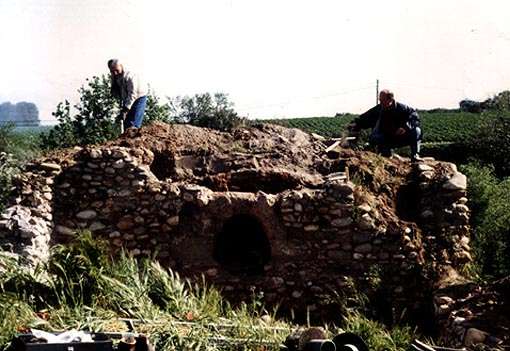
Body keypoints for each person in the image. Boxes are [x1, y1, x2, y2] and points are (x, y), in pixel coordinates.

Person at [348, 89, 422, 162]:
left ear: (390, 99)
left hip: (401, 137)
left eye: (382, 100)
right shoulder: (378, 109)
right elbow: (363, 119)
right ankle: (386, 155)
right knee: (376, 138)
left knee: (416, 131)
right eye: (380, 100)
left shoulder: (403, 108)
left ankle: (415, 155)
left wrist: (405, 127)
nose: (381, 102)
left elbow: (415, 118)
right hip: (385, 139)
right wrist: (353, 125)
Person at [108, 59, 148, 130]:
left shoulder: (130, 76)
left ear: (121, 66)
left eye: (116, 70)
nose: (115, 73)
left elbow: (132, 94)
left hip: (139, 96)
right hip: (127, 97)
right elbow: (116, 90)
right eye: (112, 71)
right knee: (126, 123)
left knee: (133, 123)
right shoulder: (115, 76)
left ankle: (134, 138)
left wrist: (125, 109)